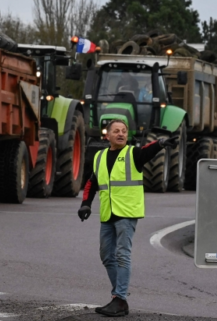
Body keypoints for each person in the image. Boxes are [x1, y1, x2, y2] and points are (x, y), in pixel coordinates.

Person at [77, 119, 178, 317]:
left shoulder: (133, 154)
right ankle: (119, 299)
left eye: (124, 131)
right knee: (107, 256)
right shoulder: (100, 156)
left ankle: (120, 298)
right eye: (116, 131)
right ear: (107, 135)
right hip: (108, 213)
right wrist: (86, 204)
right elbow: (92, 182)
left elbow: (147, 151)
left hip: (127, 212)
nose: (121, 134)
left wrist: (160, 143)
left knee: (122, 254)